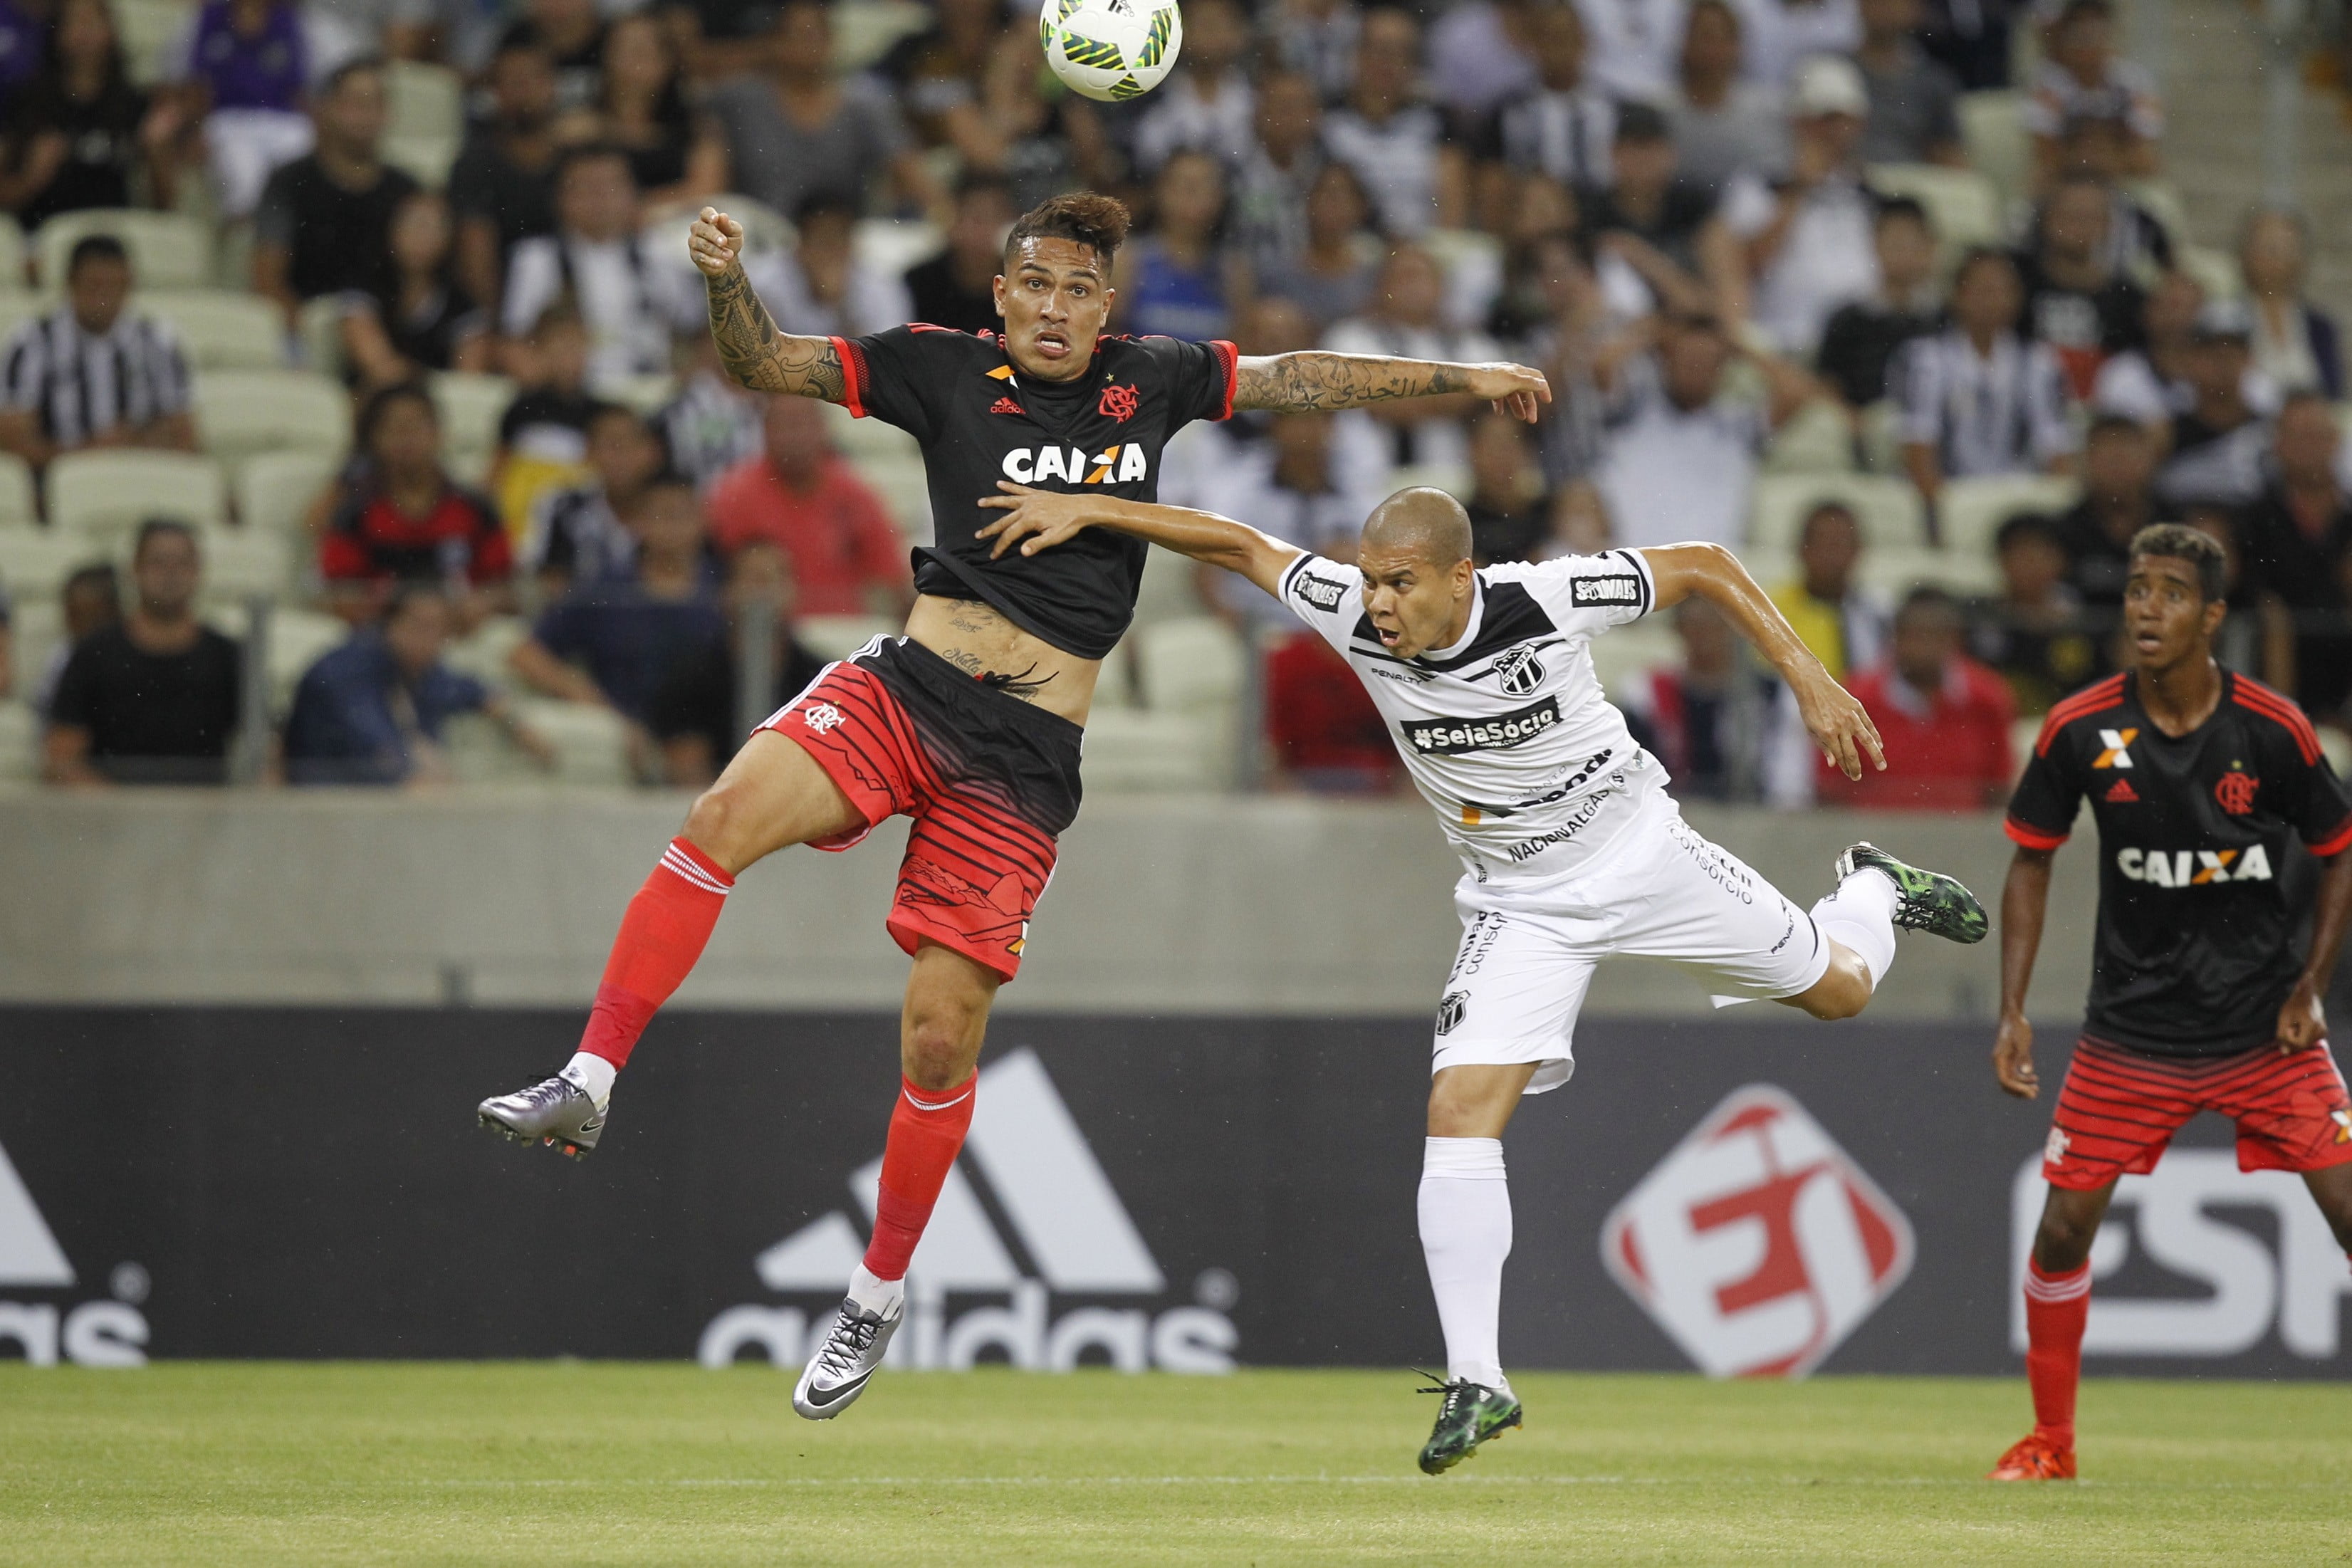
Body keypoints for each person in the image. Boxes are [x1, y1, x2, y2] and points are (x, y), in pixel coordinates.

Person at [474, 191, 1553, 1431]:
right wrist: (726, 277)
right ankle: (591, 1074)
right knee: (722, 812)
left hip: (1025, 755)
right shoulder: (934, 368)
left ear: (1108, 306)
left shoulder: (1152, 379)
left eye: (1079, 290)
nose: (1053, 308)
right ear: (1002, 295)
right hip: (908, 686)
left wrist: (1465, 374)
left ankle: (872, 1299)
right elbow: (758, 360)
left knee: (937, 1042)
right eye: (1034, 285)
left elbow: (1303, 376)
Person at [973, 476, 1987, 1475]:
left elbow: (1705, 565)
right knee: (1458, 1108)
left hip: (1644, 857)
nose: (1376, 602)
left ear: (1461, 577)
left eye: (1400, 582)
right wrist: (1096, 509)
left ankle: (1869, 888)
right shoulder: (1352, 613)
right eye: (1369, 579)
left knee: (1840, 989)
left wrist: (1806, 674)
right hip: (1520, 902)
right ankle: (1476, 1377)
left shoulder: (1542, 598)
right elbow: (1239, 544)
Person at [1990, 523, 2352, 1483]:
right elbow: (2029, 859)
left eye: (2169, 592)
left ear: (2211, 616)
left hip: (2259, 1029)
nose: (2146, 607)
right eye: (2136, 589)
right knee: (2061, 1228)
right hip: (2130, 1034)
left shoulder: (2270, 730)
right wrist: (2013, 1008)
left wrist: (2310, 985)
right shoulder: (2077, 728)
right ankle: (2049, 1442)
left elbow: (2337, 851)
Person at [511, 473, 726, 724]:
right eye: (661, 515)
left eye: (681, 515)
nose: (672, 527)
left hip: (710, 741)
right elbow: (528, 655)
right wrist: (601, 711)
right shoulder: (606, 590)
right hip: (622, 742)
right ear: (638, 522)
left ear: (703, 520)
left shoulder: (726, 587)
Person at [284, 583, 552, 785]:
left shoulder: (419, 670)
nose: (429, 638)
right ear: (390, 624)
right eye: (420, 625)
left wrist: (515, 723)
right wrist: (414, 768)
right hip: (322, 797)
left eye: (439, 628)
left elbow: (470, 690)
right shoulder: (349, 669)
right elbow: (373, 744)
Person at [1595, 309, 1817, 548]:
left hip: (1708, 571)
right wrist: (1656, 335)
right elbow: (1603, 366)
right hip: (1632, 563)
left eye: (1706, 361)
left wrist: (1737, 345)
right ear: (1666, 360)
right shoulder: (1634, 411)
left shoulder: (1737, 425)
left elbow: (1798, 392)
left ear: (1723, 368)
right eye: (1686, 358)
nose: (1695, 368)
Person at [704, 0, 939, 224]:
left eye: (818, 35)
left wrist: (943, 217)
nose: (810, 46)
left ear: (832, 40)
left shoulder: (863, 104)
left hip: (842, 237)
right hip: (758, 234)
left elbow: (911, 172)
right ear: (773, 40)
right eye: (800, 35)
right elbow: (709, 178)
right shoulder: (738, 100)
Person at [44, 519, 241, 785]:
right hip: (112, 817)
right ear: (134, 570)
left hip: (205, 817)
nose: (171, 574)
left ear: (198, 572)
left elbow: (265, 759)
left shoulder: (228, 656)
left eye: (182, 563)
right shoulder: (94, 654)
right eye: (158, 562)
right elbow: (61, 759)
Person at [1723, 54, 1881, 357]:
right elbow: (1748, 266)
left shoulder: (1868, 189)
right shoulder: (1758, 182)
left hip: (1861, 343)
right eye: (1827, 120)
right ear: (1798, 122)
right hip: (1787, 339)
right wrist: (1800, 187)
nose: (1839, 131)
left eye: (1848, 120)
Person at [1892, 247, 2077, 506]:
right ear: (1957, 295)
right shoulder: (1927, 361)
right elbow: (1918, 445)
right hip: (1953, 496)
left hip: (2020, 497)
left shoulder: (2040, 364)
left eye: (2003, 290)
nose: (1992, 300)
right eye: (1982, 290)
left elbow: (2056, 449)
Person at [500, 145, 694, 387]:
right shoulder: (537, 258)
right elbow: (513, 342)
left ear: (634, 194)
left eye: (611, 186)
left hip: (651, 391)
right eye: (586, 188)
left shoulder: (661, 254)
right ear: (560, 197)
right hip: (576, 394)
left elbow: (695, 333)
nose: (600, 199)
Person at [0, 234, 193, 471]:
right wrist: (89, 453)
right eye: (94, 287)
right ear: (70, 284)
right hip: (57, 480)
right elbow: (13, 443)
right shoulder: (31, 343)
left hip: (139, 473)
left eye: (116, 287)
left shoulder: (158, 342)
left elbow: (186, 437)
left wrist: (136, 443)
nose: (105, 300)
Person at [319, 383, 511, 617]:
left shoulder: (475, 508)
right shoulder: (355, 511)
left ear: (439, 434)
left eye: (416, 428)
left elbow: (505, 586)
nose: (407, 440)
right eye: (395, 429)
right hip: (380, 638)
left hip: (460, 634)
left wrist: (483, 602)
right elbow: (336, 589)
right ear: (376, 439)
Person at [705, 394, 906, 617]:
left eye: (802, 423)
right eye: (783, 424)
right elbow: (711, 580)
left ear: (824, 429)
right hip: (765, 632)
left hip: (841, 633)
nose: (794, 435)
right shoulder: (734, 496)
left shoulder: (856, 496)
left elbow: (890, 581)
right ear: (764, 431)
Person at [647, 539, 826, 788]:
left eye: (773, 579)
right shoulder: (690, 675)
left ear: (794, 591)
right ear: (726, 592)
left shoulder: (821, 681)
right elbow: (686, 770)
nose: (763, 591)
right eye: (752, 579)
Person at [252, 56, 415, 325]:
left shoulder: (407, 191)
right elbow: (267, 277)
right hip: (308, 326)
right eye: (355, 104)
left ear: (388, 113)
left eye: (374, 103)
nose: (366, 114)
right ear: (327, 109)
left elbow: (422, 288)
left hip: (385, 331)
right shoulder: (289, 182)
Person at [1820, 585, 2014, 808]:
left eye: (1936, 636)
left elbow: (2000, 786)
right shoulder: (1855, 700)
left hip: (1964, 834)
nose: (1925, 648)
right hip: (1875, 835)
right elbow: (1831, 789)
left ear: (1955, 639)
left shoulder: (1988, 699)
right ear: (1896, 638)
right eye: (1915, 636)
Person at [1324, 245, 1505, 479]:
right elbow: (1372, 400)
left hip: (1460, 481)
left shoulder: (1471, 342)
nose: (1412, 286)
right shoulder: (1350, 336)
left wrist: (1402, 393)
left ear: (1441, 287)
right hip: (1374, 481)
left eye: (1420, 276)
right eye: (1402, 277)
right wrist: (1461, 393)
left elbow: (1496, 396)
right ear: (1380, 287)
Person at [0, 0, 176, 231]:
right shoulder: (27, 102)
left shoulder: (134, 105)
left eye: (93, 21)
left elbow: (164, 208)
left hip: (116, 240)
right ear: (58, 32)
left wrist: (157, 155)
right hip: (44, 235)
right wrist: (31, 179)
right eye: (75, 21)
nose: (84, 32)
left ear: (111, 31)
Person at [2235, 394, 2352, 723]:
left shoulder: (2348, 516)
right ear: (2278, 445)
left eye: (2317, 435)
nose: (2309, 447)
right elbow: (2250, 592)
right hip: (2276, 661)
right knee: (2274, 621)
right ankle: (2281, 729)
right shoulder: (2256, 516)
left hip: (2342, 660)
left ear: (2335, 441)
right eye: (2298, 437)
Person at [167, 0, 342, 216]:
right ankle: (251, 241)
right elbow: (195, 84)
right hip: (228, 120)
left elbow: (299, 91)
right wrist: (194, 130)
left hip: (283, 120)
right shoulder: (211, 17)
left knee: (304, 169)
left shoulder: (285, 19)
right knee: (246, 182)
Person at [1578, 103, 1744, 321]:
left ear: (1671, 153)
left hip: (1691, 332)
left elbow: (1729, 300)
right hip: (1622, 333)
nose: (1643, 160)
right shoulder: (1592, 213)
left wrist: (1644, 259)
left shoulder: (1695, 207)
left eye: (1652, 148)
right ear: (1613, 154)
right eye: (1634, 149)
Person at [553, 11, 723, 211]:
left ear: (669, 61)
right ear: (606, 56)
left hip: (670, 226)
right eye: (625, 49)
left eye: (644, 50)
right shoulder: (577, 125)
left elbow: (707, 188)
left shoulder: (696, 126)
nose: (634, 61)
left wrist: (640, 209)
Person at [1322, 6, 1460, 237]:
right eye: (1379, 50)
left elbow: (1451, 207)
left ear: (1415, 64)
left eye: (1400, 52)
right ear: (1357, 55)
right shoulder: (1328, 120)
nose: (1387, 62)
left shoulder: (1436, 122)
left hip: (1419, 251)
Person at [448, 34, 560, 315]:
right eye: (512, 81)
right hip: (509, 310)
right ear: (494, 91)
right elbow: (475, 256)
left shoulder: (577, 157)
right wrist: (497, 325)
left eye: (532, 78)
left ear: (553, 86)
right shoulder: (475, 163)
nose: (524, 90)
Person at [339, 189, 492, 391]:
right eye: (413, 224)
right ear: (391, 228)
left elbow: (467, 383)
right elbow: (377, 364)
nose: (421, 236)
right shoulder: (363, 288)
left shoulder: (464, 309)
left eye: (432, 228)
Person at [2016, 172, 2148, 399]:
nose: (2079, 226)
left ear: (2108, 225)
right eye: (2070, 215)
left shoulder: (2129, 299)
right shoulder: (2017, 285)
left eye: (2090, 217)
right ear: (2047, 219)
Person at [1814, 195, 1939, 412]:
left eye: (1912, 243)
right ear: (1876, 244)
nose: (1904, 253)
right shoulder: (1847, 319)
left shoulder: (1945, 319)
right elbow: (1827, 387)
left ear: (1929, 248)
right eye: (1896, 243)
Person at [525, 401, 662, 596]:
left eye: (633, 444)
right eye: (613, 445)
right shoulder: (562, 506)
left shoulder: (672, 510)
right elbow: (547, 579)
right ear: (588, 452)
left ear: (654, 453)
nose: (624, 456)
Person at [1972, 511, 2100, 715]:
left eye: (2041, 554)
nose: (2031, 564)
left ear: (2061, 561)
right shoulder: (1982, 620)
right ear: (2001, 560)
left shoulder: (2085, 618)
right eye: (2020, 553)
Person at [2024, 0, 2160, 188]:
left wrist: (2101, 161)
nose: (2087, 42)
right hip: (2066, 180)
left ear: (2108, 35)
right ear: (2065, 35)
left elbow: (2144, 157)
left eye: (2095, 32)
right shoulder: (2047, 84)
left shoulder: (2133, 81)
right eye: (2079, 34)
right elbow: (2046, 157)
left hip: (2121, 178)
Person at [1113, 151, 1241, 345]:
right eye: (1187, 187)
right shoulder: (1128, 261)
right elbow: (1108, 335)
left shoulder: (1233, 272)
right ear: (1161, 191)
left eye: (1207, 187)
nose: (1196, 198)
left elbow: (1242, 347)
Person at [1488, 1, 1616, 192]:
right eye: (1552, 39)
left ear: (1585, 42)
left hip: (1602, 207)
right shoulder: (1510, 109)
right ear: (1533, 44)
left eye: (1569, 38)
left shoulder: (1613, 106)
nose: (1561, 50)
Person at [2155, 300, 2270, 512]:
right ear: (2189, 360)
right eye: (2210, 351)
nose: (2223, 361)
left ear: (2248, 359)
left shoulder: (2271, 433)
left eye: (2232, 351)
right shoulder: (2164, 436)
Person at [1663, 0, 1789, 193]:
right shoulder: (1663, 114)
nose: (1713, 49)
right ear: (1686, 42)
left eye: (1723, 38)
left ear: (1738, 47)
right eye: (1705, 37)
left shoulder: (1767, 113)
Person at [753, 192, 914, 341]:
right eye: (822, 240)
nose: (832, 251)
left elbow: (885, 360)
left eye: (839, 239)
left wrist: (840, 304)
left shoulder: (880, 285)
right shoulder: (764, 280)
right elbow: (755, 353)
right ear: (801, 244)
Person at [2052, 412, 2163, 608]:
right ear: (2085, 462)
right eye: (2107, 458)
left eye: (2125, 456)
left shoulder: (2177, 528)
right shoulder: (2061, 533)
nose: (2116, 468)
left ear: (2149, 459)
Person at [1131, 0, 1255, 174]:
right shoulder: (1153, 95)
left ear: (1238, 34)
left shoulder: (1256, 99)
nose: (1211, 34)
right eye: (1203, 24)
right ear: (1181, 33)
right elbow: (1143, 161)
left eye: (1219, 24)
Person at [1768, 500, 1888, 678]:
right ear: (1802, 549)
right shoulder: (1772, 613)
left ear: (1858, 551)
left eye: (1839, 544)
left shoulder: (1879, 615)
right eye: (1821, 543)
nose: (1830, 555)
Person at [2238, 208, 2343, 400]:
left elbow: (2332, 393)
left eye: (2285, 247)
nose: (2275, 257)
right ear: (2246, 254)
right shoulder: (2231, 317)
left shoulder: (2319, 326)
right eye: (2267, 247)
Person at [1265, 161, 1383, 333]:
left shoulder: (1376, 276)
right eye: (1324, 194)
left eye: (1342, 196)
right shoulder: (1279, 275)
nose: (1333, 205)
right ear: (1307, 203)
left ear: (1361, 208)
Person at [1854, 0, 1965, 167]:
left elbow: (1951, 153)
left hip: (1914, 181)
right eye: (1877, 2)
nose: (1886, 9)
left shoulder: (1935, 80)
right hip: (1854, 178)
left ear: (1916, 8)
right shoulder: (1835, 70)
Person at [904, 176, 1018, 338]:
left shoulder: (1018, 284)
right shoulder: (918, 283)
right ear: (953, 219)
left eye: (992, 219)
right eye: (975, 220)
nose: (983, 232)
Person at [30, 562, 119, 716]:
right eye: (75, 615)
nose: (84, 625)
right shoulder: (61, 655)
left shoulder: (123, 654)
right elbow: (45, 704)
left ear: (113, 613)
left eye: (94, 617)